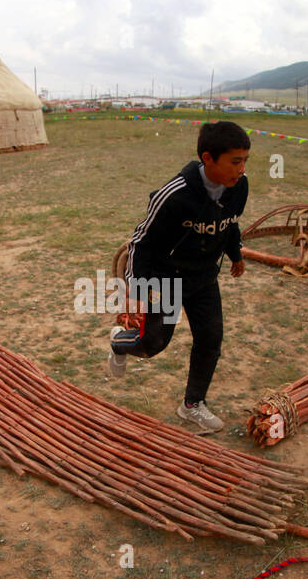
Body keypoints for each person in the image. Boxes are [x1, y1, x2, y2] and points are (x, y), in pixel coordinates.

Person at [107, 120, 249, 434]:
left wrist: (235, 253)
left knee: (210, 339)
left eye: (245, 161)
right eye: (235, 161)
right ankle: (120, 344)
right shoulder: (174, 195)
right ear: (209, 158)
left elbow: (230, 221)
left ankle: (192, 405)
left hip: (203, 278)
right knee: (153, 344)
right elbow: (141, 242)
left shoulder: (240, 185)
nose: (241, 169)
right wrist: (134, 289)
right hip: (166, 279)